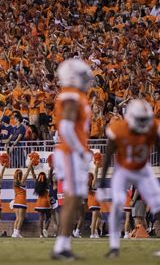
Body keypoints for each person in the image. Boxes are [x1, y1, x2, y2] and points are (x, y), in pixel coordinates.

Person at [98, 99, 160, 258]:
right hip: (122, 170)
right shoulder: (118, 128)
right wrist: (102, 180)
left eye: (144, 120)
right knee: (117, 204)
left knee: (158, 205)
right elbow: (109, 153)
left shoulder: (153, 127)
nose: (142, 123)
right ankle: (114, 247)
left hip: (143, 169)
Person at [52, 59, 93, 260]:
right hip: (70, 151)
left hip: (72, 150)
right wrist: (80, 151)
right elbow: (66, 128)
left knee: (75, 198)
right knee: (72, 198)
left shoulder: (76, 95)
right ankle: (62, 246)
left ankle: (63, 245)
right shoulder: (70, 95)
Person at [12, 162, 32, 238]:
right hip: (21, 201)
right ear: (20, 175)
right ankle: (17, 232)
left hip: (16, 201)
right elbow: (28, 171)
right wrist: (31, 163)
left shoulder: (14, 182)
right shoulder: (22, 181)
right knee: (21, 218)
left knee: (17, 218)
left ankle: (14, 233)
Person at [32, 169, 51, 238]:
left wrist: (31, 167)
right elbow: (50, 174)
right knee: (49, 217)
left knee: (41, 218)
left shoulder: (37, 183)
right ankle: (45, 229)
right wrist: (51, 167)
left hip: (39, 203)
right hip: (46, 203)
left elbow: (33, 175)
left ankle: (40, 234)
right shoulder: (47, 183)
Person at [87, 167, 101, 239]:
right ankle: (92, 234)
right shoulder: (92, 183)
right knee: (94, 219)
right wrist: (97, 165)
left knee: (99, 218)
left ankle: (95, 231)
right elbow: (96, 173)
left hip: (93, 201)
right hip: (94, 202)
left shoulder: (87, 184)